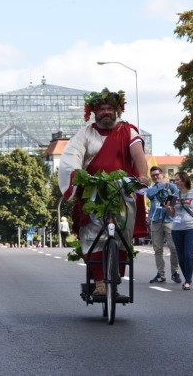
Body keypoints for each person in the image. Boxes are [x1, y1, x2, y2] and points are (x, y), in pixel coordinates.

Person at [58, 88, 148, 296]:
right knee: (92, 234)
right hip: (93, 190)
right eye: (102, 109)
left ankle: (114, 282)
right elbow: (73, 154)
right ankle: (99, 282)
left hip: (122, 189)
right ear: (94, 112)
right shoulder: (86, 133)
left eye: (110, 108)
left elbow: (138, 154)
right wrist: (75, 176)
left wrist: (142, 176)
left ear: (117, 111)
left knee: (122, 233)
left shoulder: (128, 131)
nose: (106, 112)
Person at [146, 166, 182, 284]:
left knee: (174, 247)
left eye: (157, 174)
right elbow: (150, 194)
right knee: (158, 249)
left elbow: (177, 197)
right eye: (153, 176)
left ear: (162, 174)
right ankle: (160, 274)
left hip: (169, 219)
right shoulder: (153, 187)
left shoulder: (171, 186)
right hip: (156, 220)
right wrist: (161, 184)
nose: (155, 177)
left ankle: (175, 272)